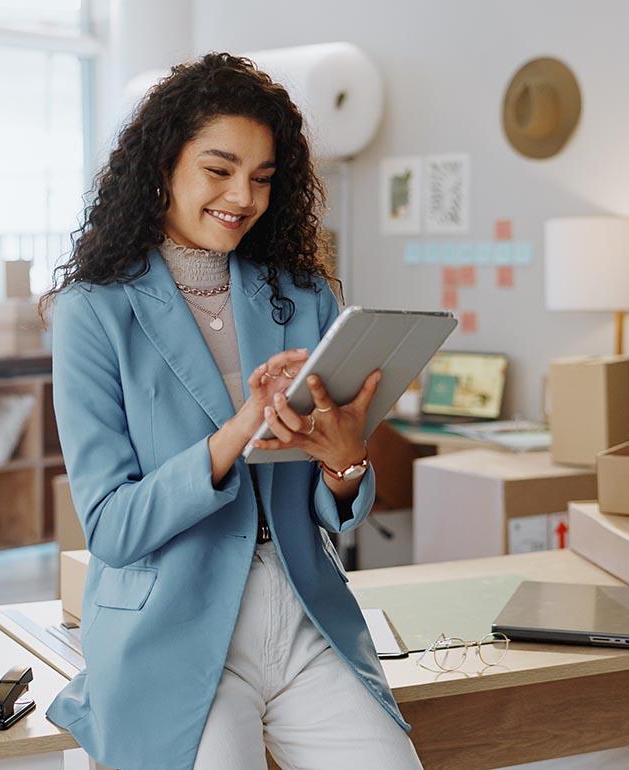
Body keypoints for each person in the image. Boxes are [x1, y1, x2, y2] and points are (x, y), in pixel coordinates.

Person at [41, 52, 423, 770]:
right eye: (219, 170)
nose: (243, 196)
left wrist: (345, 463)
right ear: (162, 166)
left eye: (263, 177)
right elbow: (113, 529)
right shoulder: (92, 312)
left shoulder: (303, 296)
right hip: (173, 631)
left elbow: (331, 502)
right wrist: (240, 429)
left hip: (304, 614)